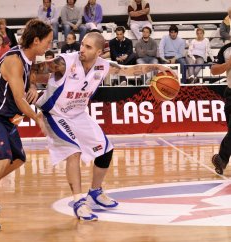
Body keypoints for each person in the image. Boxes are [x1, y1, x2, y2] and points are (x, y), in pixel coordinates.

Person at [31, 31, 175, 221]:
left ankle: (95, 192)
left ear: (99, 51)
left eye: (88, 47)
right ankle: (78, 202)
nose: (82, 49)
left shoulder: (103, 66)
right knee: (73, 152)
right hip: (55, 114)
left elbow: (129, 71)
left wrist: (157, 66)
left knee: (106, 150)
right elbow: (33, 69)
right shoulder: (64, 62)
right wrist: (32, 86)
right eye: (82, 44)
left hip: (78, 114)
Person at [0, 19, 52, 231]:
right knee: (3, 158)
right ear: (36, 40)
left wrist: (31, 84)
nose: (49, 45)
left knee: (18, 158)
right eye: (47, 41)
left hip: (5, 117)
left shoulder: (25, 55)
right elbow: (20, 99)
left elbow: (23, 79)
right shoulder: (15, 60)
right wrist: (37, 116)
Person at [211, 42, 231, 175]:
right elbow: (213, 70)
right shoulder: (226, 49)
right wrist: (228, 64)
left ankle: (222, 159)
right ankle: (221, 160)